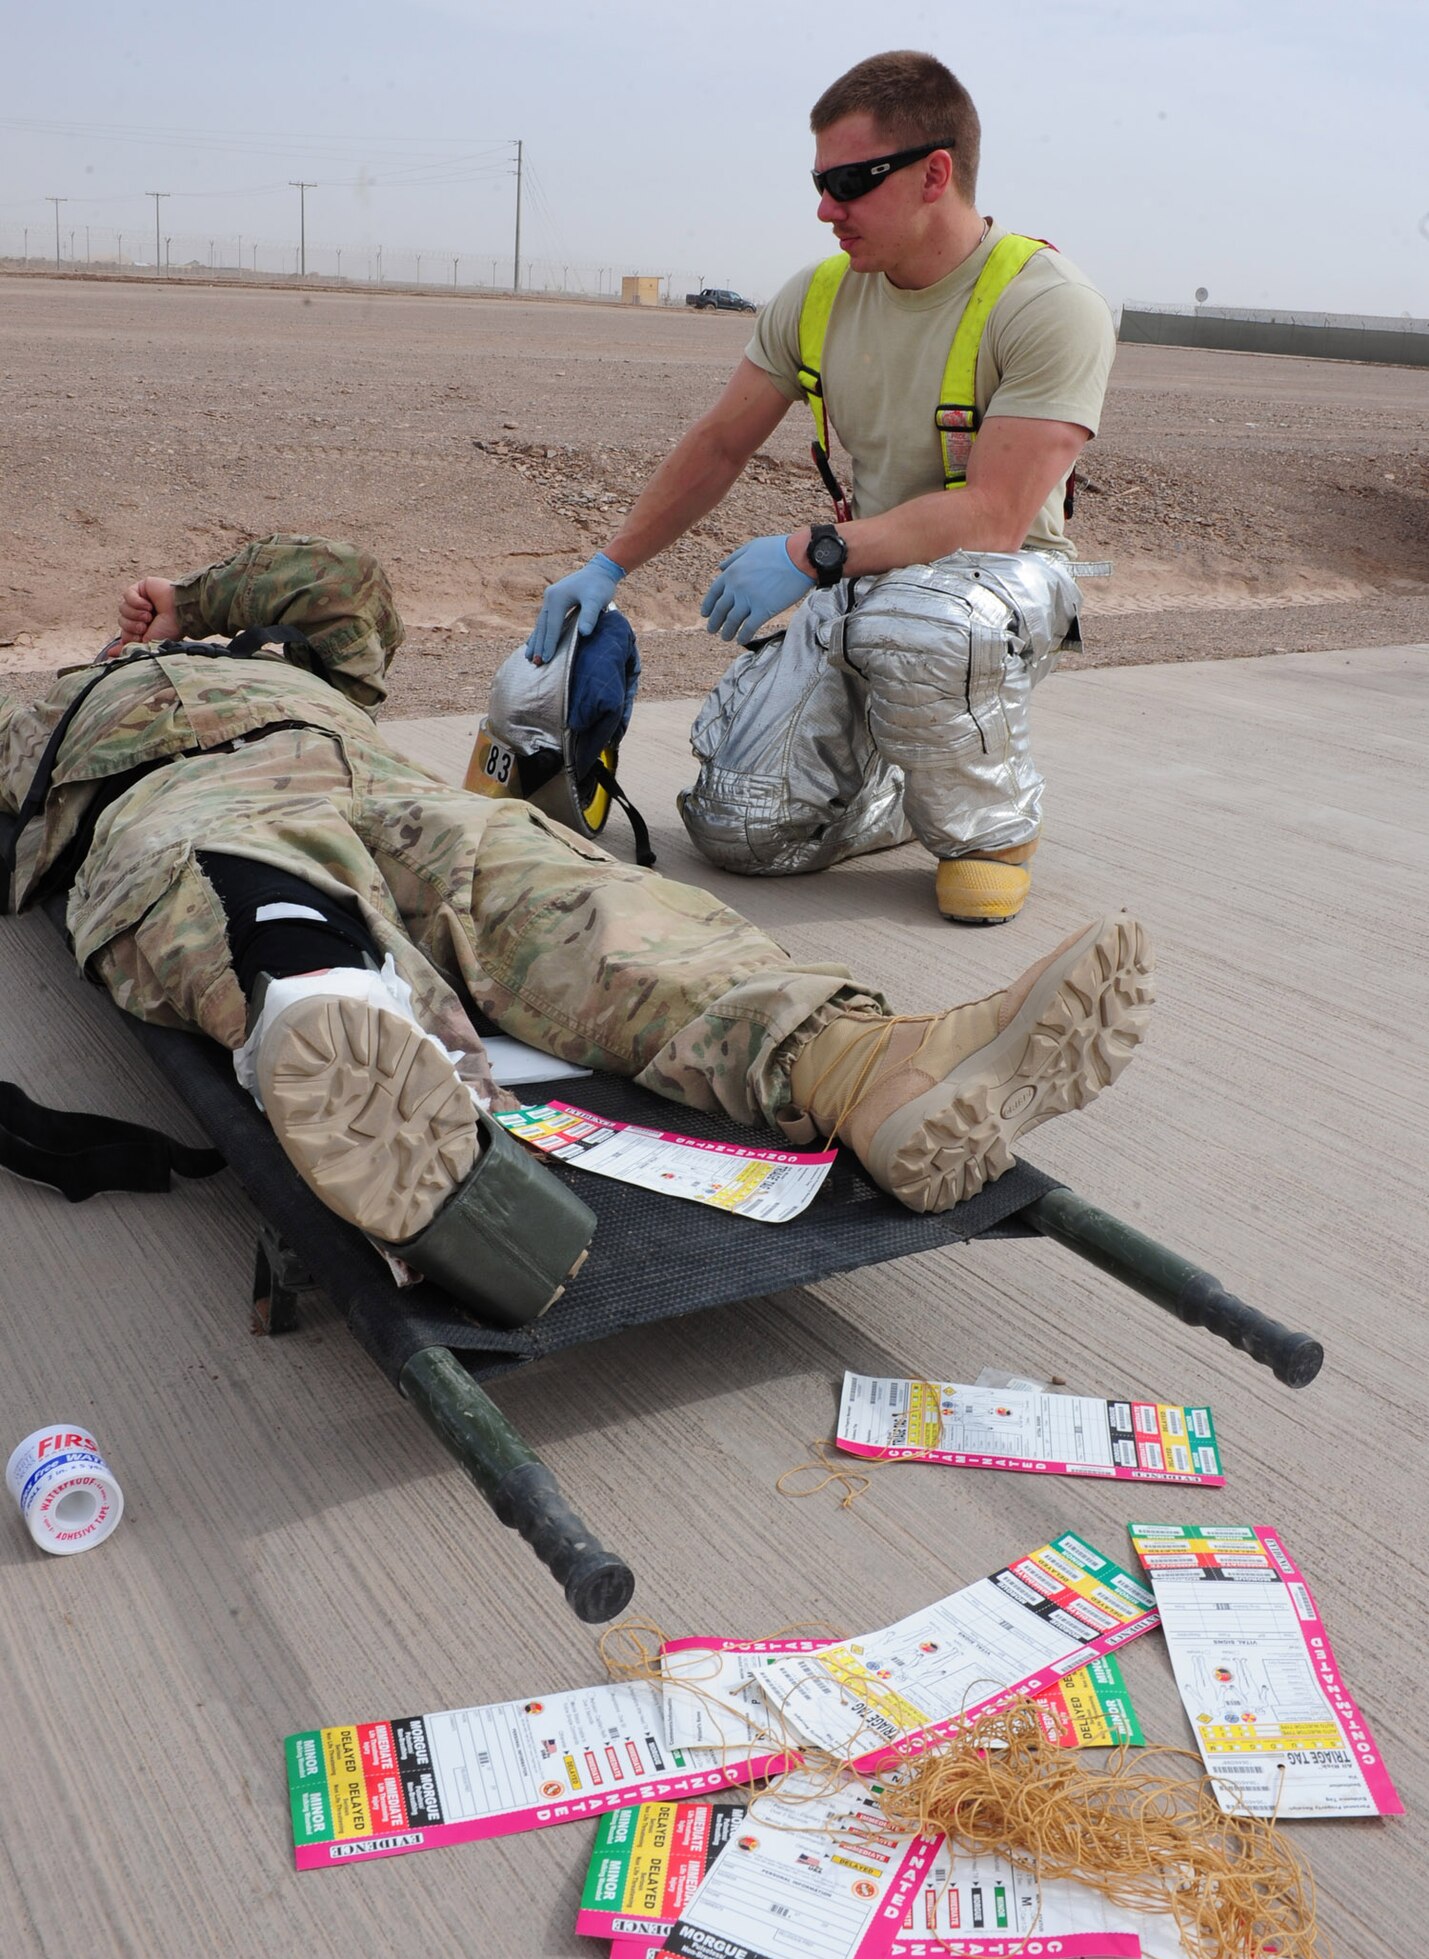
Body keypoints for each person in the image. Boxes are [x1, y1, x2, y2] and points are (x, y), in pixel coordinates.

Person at [0, 536, 1152, 1326]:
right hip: (171, 799)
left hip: (375, 782)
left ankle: (864, 1071)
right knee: (253, 907)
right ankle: (398, 1117)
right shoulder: (49, 705)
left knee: (585, 898)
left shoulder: (290, 660)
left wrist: (194, 604)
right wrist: (76, 690)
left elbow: (348, 587)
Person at [529, 50, 1116, 924]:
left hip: (995, 589)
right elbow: (721, 441)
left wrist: (814, 551)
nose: (824, 208)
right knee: (741, 834)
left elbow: (993, 516)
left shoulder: (1043, 301)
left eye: (849, 180)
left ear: (934, 173)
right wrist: (607, 567)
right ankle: (898, 790)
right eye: (819, 181)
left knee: (918, 623)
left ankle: (991, 831)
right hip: (867, 577)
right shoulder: (816, 297)